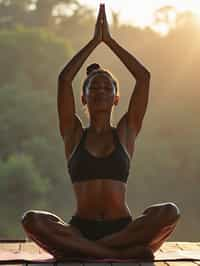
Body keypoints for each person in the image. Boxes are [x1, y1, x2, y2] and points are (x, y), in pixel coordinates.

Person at [21, 4, 181, 260]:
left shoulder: (126, 132)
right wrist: (94, 42)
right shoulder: (72, 132)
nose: (100, 92)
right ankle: (114, 254)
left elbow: (144, 77)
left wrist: (110, 41)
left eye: (107, 88)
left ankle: (91, 251)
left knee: (169, 212)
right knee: (32, 220)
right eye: (93, 88)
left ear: (116, 98)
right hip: (80, 229)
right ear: (83, 98)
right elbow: (64, 80)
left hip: (122, 228)